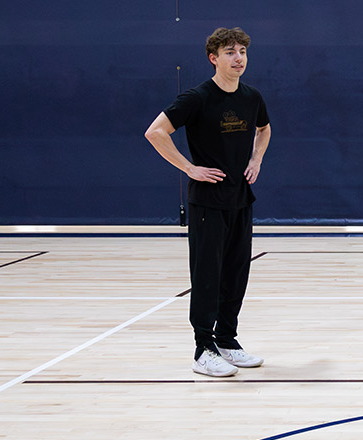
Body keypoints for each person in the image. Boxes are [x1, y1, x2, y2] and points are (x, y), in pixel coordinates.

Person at [144, 27, 272, 378]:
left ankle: (227, 341)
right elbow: (155, 132)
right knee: (207, 276)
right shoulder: (197, 97)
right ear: (213, 58)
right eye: (230, 52)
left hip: (240, 198)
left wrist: (256, 160)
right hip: (207, 203)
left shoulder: (251, 97)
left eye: (243, 50)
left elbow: (264, 129)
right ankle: (203, 349)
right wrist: (189, 167)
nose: (239, 57)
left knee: (235, 274)